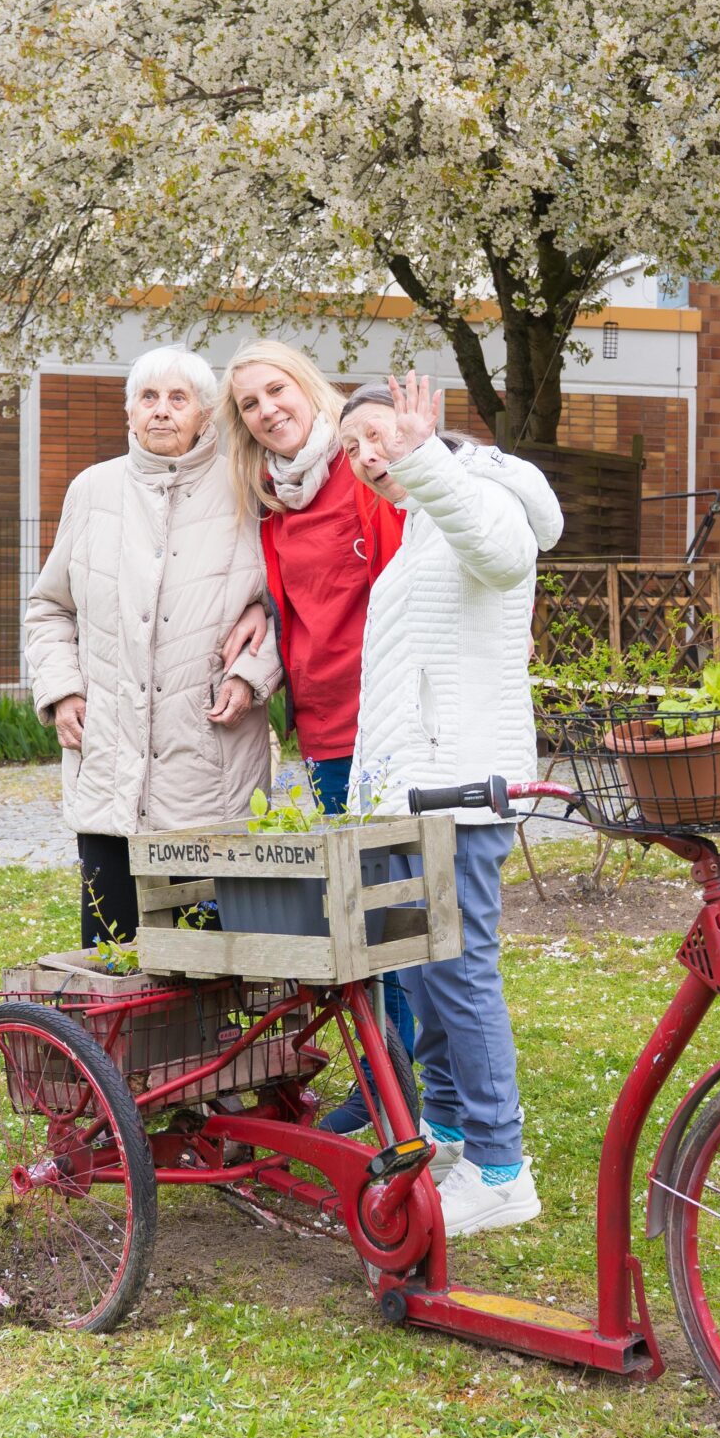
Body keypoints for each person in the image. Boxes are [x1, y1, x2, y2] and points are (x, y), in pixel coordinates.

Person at [340, 373, 563, 1238]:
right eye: (352, 449)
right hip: (412, 792)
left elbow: (502, 556)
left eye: (377, 435)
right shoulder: (419, 526)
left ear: (421, 426)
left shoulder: (484, 494)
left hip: (463, 791)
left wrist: (425, 455)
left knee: (460, 972)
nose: (368, 457)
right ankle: (447, 1129)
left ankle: (502, 1168)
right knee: (418, 967)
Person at [219, 340, 419, 1123]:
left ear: (307, 386)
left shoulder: (361, 471)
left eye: (277, 390)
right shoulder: (272, 500)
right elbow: (287, 600)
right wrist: (256, 611)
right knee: (360, 917)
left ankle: (397, 1086)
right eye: (250, 403)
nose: (267, 409)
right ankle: (388, 1079)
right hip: (327, 733)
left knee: (400, 916)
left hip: (388, 726)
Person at [23, 348, 280, 948]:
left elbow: (290, 606)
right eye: (148, 398)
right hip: (108, 761)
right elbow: (50, 607)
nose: (161, 411)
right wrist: (62, 691)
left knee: (208, 955)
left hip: (209, 765)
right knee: (110, 951)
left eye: (178, 399)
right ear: (130, 413)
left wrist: (252, 670)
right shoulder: (92, 490)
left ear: (205, 416)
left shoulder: (249, 488)